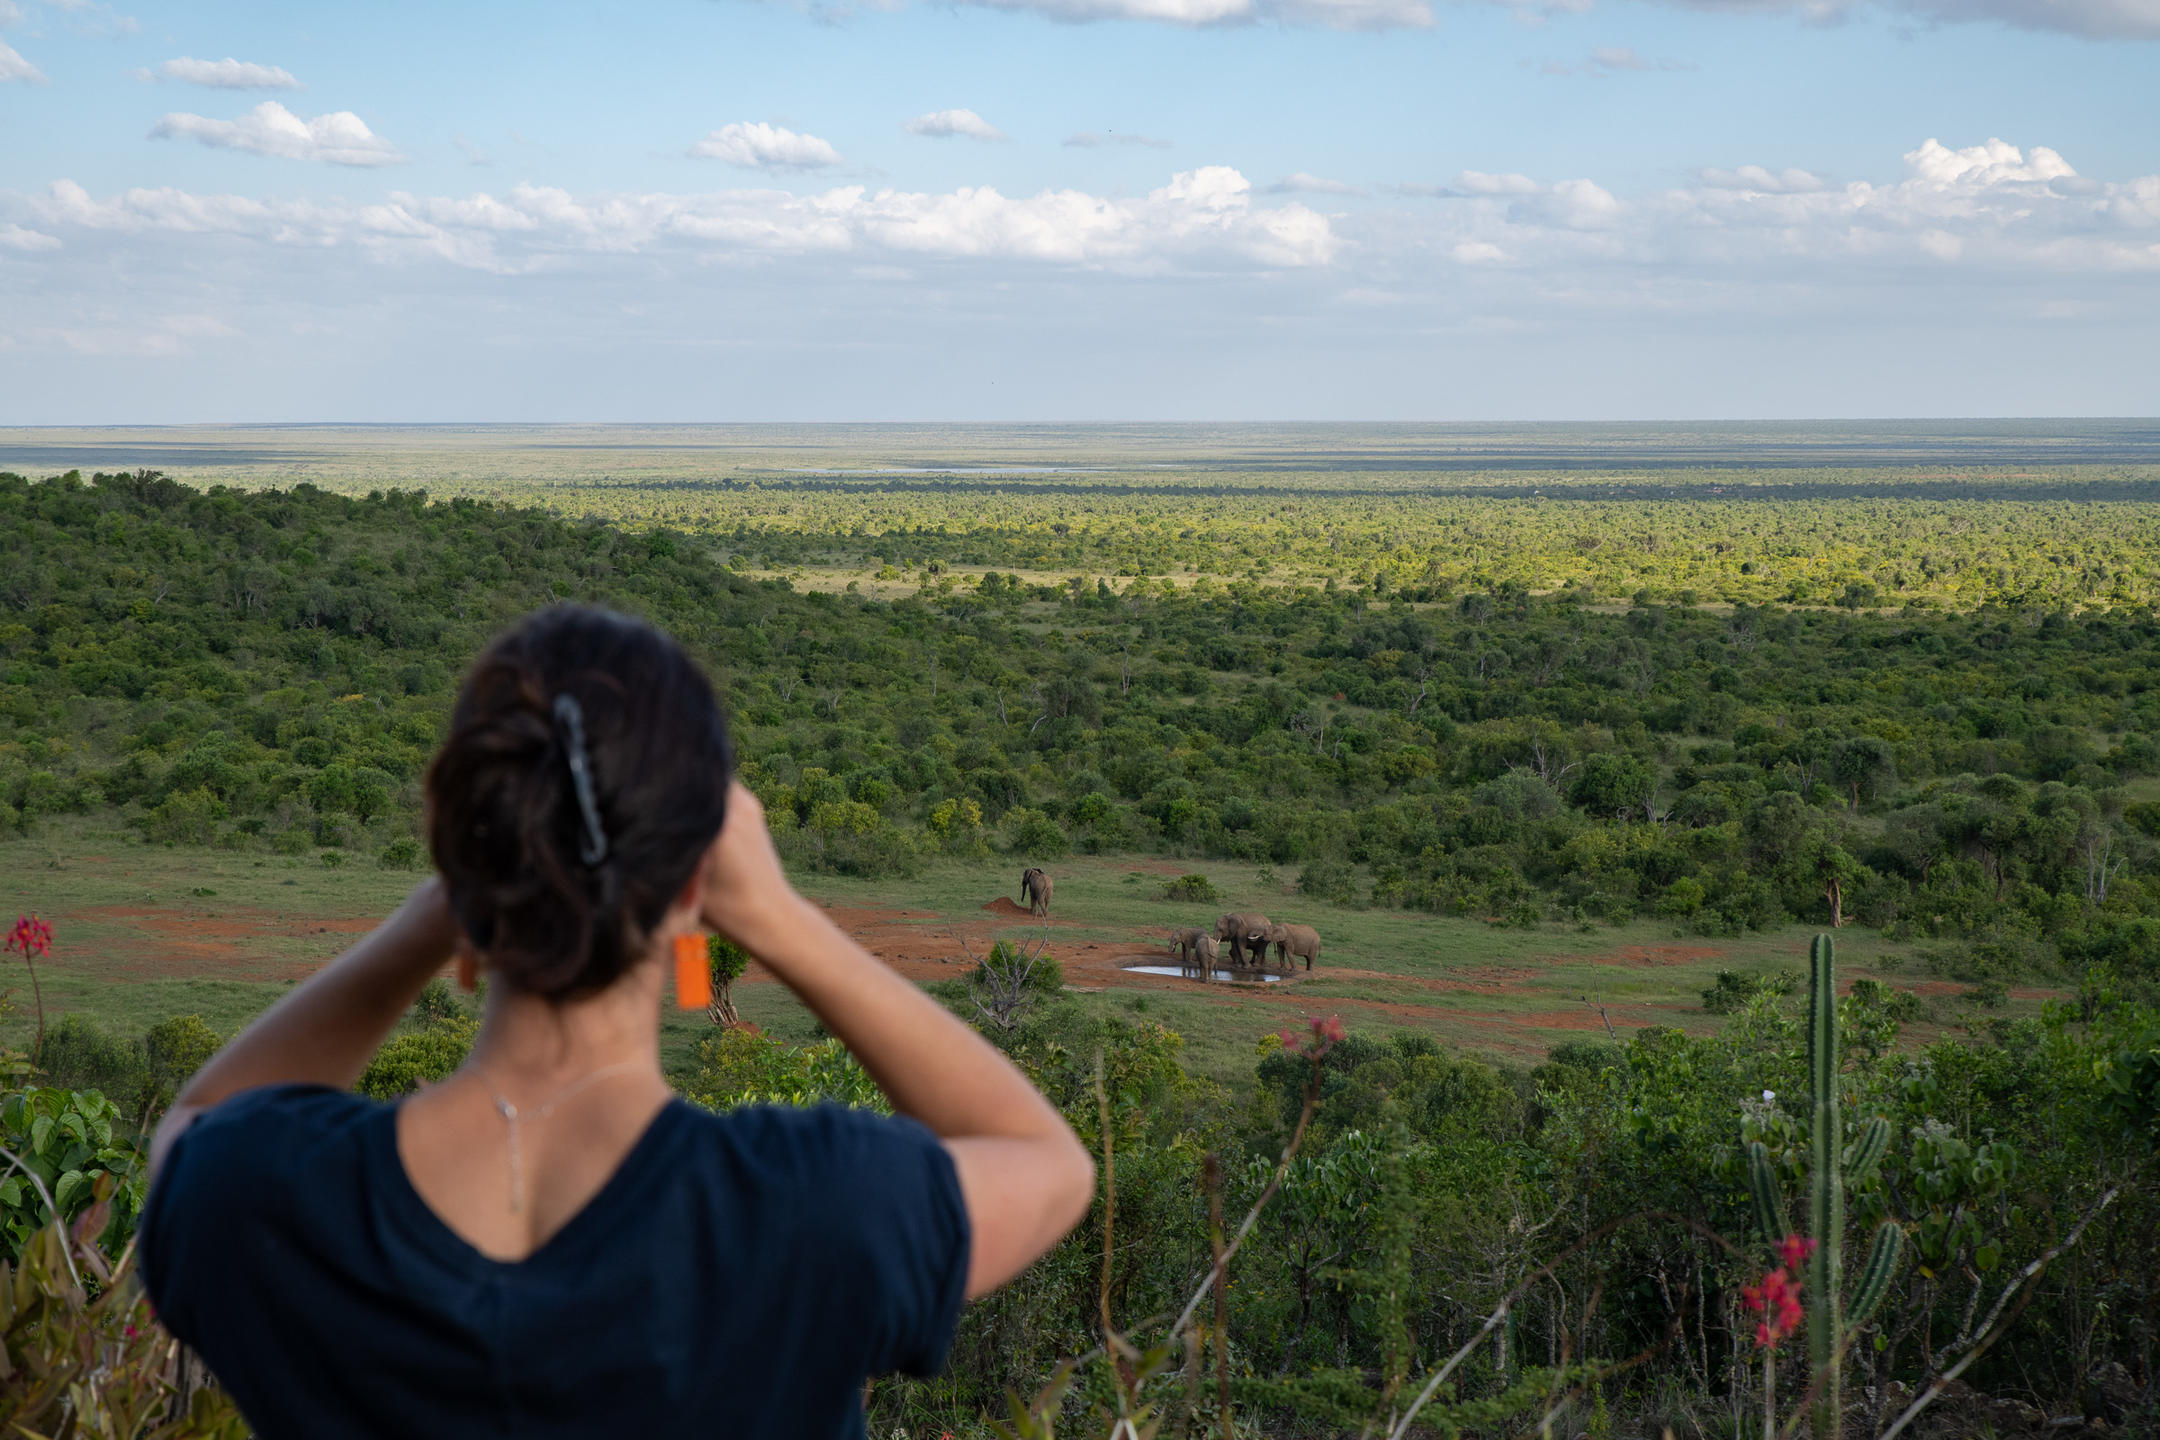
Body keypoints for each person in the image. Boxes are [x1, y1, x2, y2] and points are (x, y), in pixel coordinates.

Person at [140, 604, 1095, 1438]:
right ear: (697, 882)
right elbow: (1049, 1162)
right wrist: (778, 918)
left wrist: (448, 904)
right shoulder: (816, 1211)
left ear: (463, 861)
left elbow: (200, 1120)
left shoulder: (264, 1198)